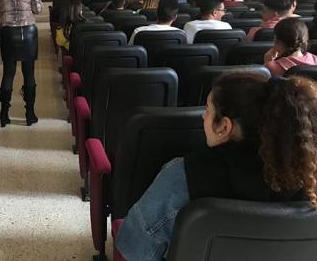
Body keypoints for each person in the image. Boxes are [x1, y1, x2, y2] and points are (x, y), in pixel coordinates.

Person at [115, 72, 317, 261]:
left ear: (224, 126)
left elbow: (133, 247)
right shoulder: (309, 178)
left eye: (208, 110)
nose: (203, 117)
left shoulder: (181, 176)